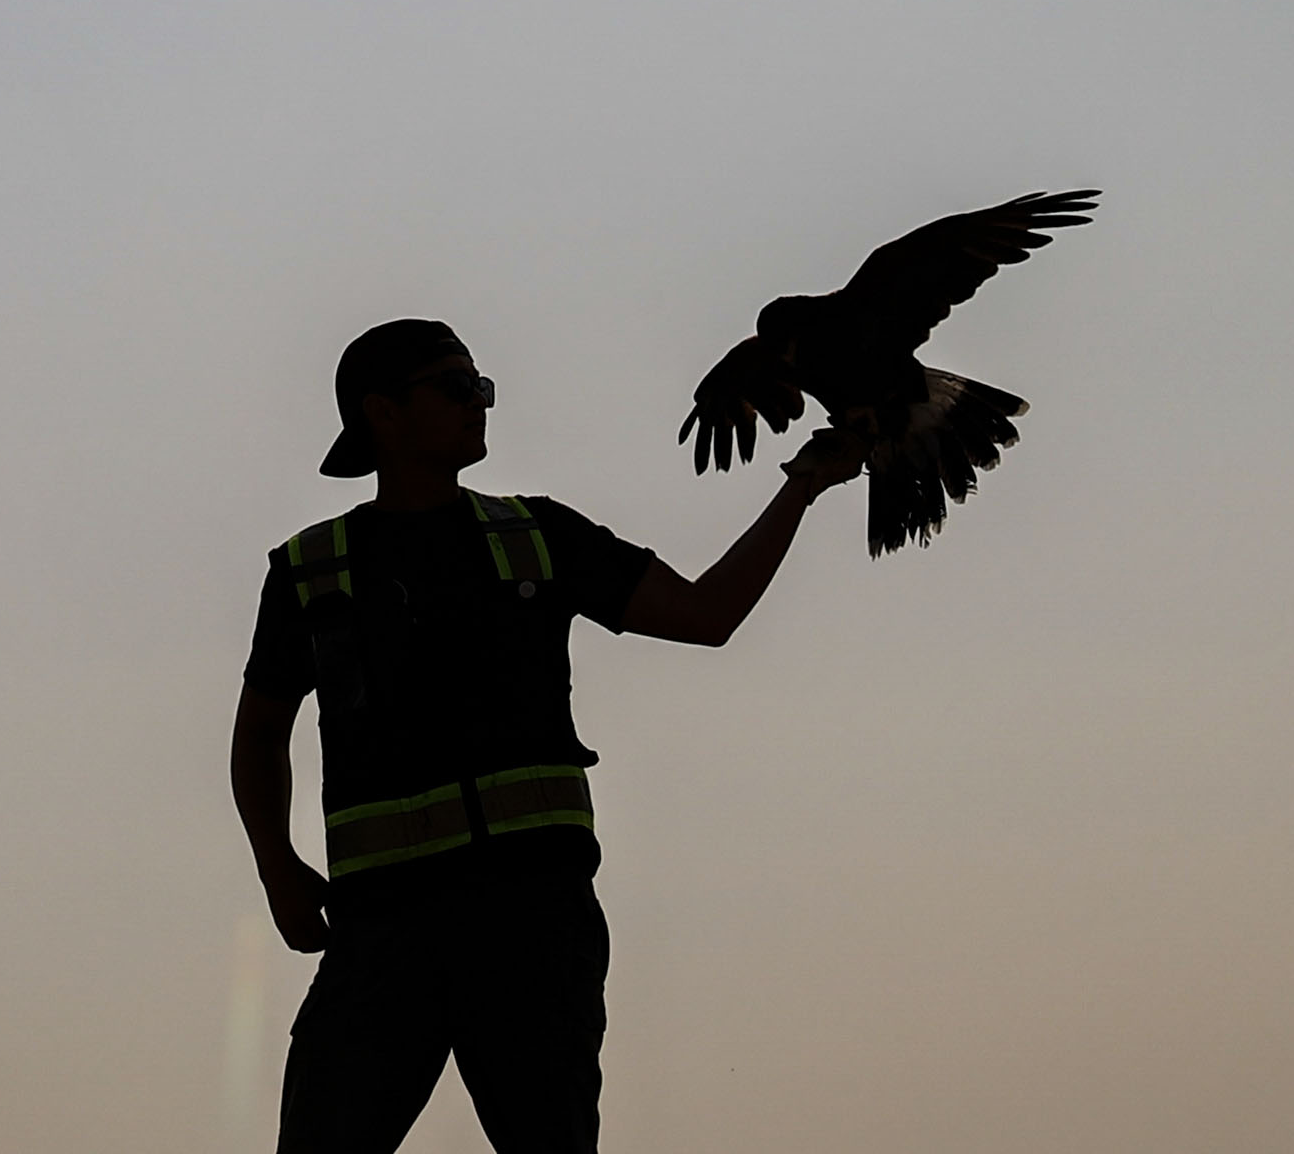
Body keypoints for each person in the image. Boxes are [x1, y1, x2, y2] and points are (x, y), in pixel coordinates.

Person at [231, 317, 867, 1154]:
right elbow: (257, 735)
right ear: (382, 416)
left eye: (482, 387)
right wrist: (277, 870)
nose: (479, 403)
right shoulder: (312, 569)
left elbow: (707, 615)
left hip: (530, 925)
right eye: (455, 388)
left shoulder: (537, 536)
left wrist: (803, 486)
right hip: (380, 934)